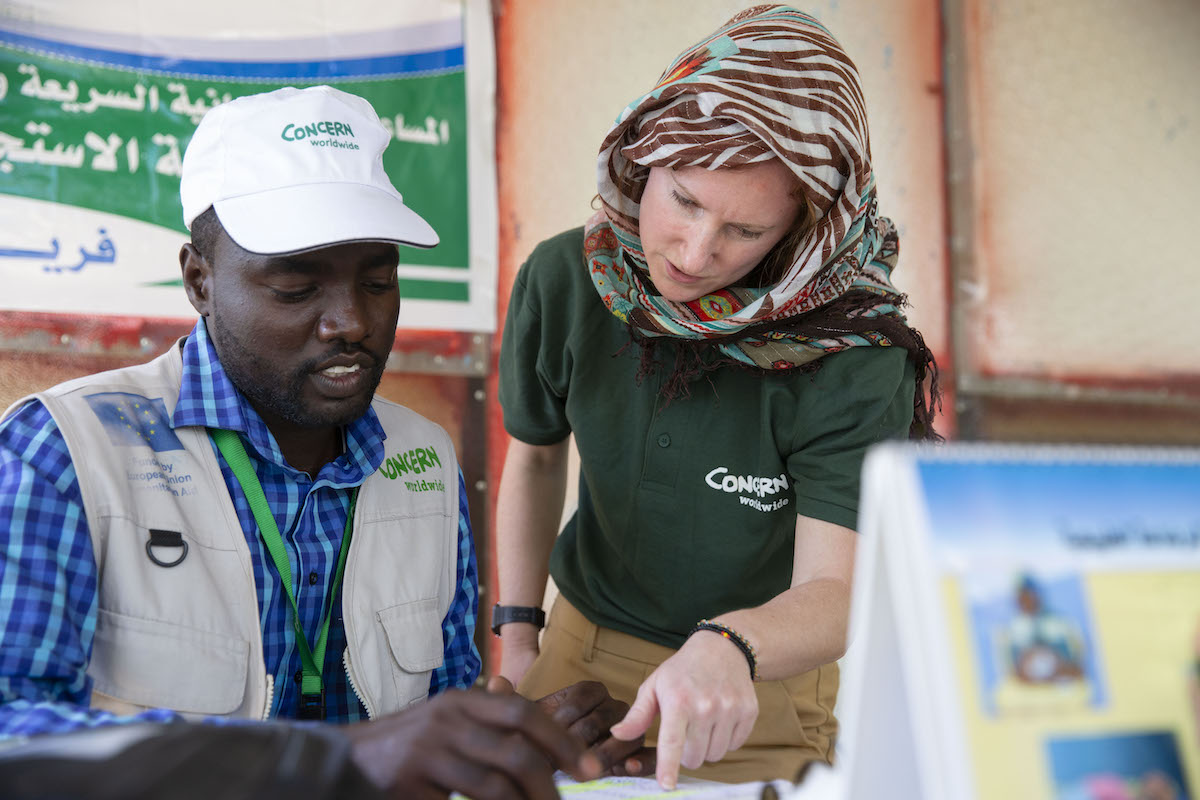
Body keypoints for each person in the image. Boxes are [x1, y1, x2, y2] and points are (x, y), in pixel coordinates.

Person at [0, 84, 649, 797]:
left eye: (377, 280)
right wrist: (332, 757)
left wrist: (514, 741)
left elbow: (429, 723)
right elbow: (12, 733)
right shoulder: (62, 452)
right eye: (295, 288)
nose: (350, 321)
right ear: (199, 280)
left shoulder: (424, 461)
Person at [493, 5, 939, 789]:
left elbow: (833, 592)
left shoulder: (854, 353)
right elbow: (532, 463)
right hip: (579, 659)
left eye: (745, 230)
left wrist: (732, 645)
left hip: (759, 681)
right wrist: (518, 635)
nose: (696, 253)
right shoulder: (565, 281)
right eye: (685, 200)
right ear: (641, 159)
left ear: (802, 231)